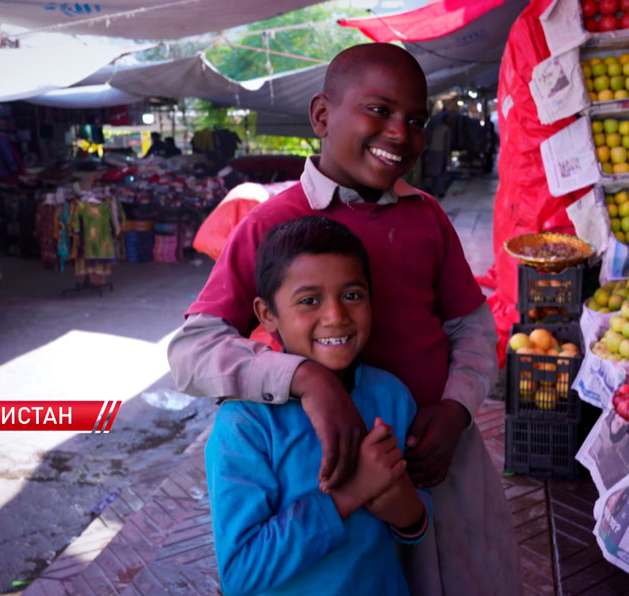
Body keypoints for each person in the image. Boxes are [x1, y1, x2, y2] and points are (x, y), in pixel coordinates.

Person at [168, 42, 519, 596]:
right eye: (379, 110)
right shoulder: (269, 225)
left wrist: (455, 410)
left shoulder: (425, 215)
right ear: (322, 116)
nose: (400, 133)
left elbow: (471, 326)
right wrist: (304, 381)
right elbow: (192, 351)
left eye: (416, 119)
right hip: (315, 478)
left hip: (434, 463)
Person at [205, 216, 430, 596]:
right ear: (267, 314)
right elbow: (240, 574)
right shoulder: (245, 424)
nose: (336, 316)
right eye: (309, 301)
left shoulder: (391, 396)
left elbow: (415, 525)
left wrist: (403, 506)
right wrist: (349, 495)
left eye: (352, 295)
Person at [423, 113, 453, 198]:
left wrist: (427, 152)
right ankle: (440, 191)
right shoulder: (447, 129)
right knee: (441, 172)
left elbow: (429, 139)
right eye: (450, 120)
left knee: (432, 171)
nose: (451, 122)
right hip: (441, 152)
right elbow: (446, 144)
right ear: (446, 121)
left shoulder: (436, 128)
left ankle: (429, 188)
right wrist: (447, 156)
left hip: (432, 151)